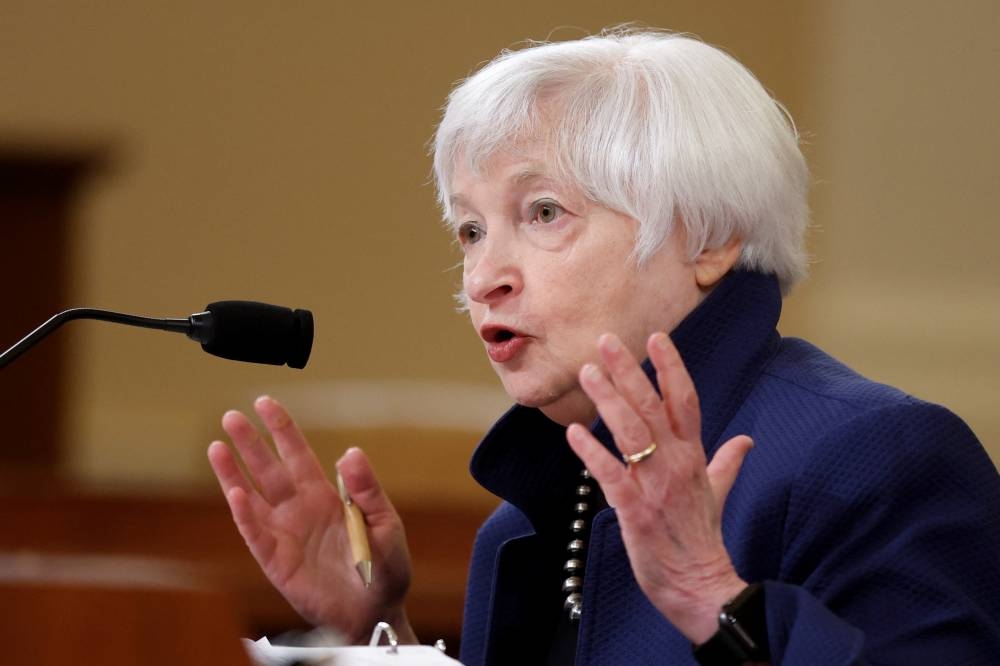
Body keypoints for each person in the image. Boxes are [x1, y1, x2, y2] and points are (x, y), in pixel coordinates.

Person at [207, 30, 1000, 665]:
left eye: (544, 212)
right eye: (471, 229)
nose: (484, 276)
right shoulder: (527, 520)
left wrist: (717, 601)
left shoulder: (876, 455)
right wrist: (377, 636)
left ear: (712, 235)